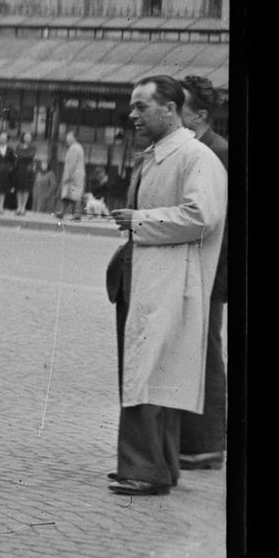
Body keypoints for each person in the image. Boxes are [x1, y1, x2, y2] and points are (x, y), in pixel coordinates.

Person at [106, 76, 227, 496]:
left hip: (172, 281)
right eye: (133, 107)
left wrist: (138, 222)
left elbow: (201, 216)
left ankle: (146, 469)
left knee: (153, 371)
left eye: (142, 106)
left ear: (171, 109)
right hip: (150, 276)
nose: (133, 115)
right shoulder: (160, 155)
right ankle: (152, 465)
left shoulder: (196, 157)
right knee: (150, 370)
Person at [177, 77, 229, 472]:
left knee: (207, 351)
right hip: (192, 267)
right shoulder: (194, 148)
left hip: (209, 270)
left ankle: (208, 443)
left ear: (201, 115)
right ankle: (192, 442)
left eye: (181, 107)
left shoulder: (217, 152)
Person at [57, 127, 88, 220]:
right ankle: (62, 212)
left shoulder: (74, 148)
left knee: (73, 195)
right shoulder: (78, 147)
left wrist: (67, 176)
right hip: (77, 175)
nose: (67, 139)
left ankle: (76, 213)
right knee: (69, 195)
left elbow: (72, 164)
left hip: (73, 176)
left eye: (69, 137)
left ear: (74, 138)